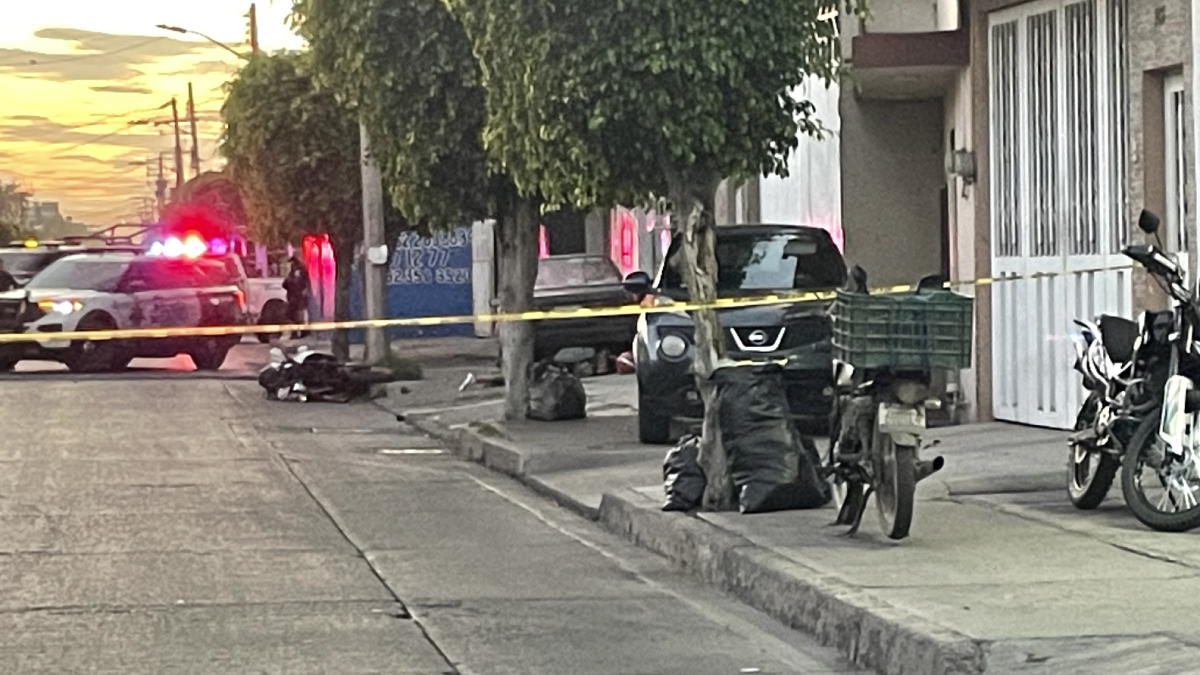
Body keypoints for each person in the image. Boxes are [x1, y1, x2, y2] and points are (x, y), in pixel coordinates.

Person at [282, 257, 311, 339]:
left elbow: (300, 284)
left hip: (297, 298)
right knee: (293, 316)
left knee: (298, 316)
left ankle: (302, 332)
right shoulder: (293, 273)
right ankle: (296, 333)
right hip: (293, 298)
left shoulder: (298, 272)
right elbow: (285, 284)